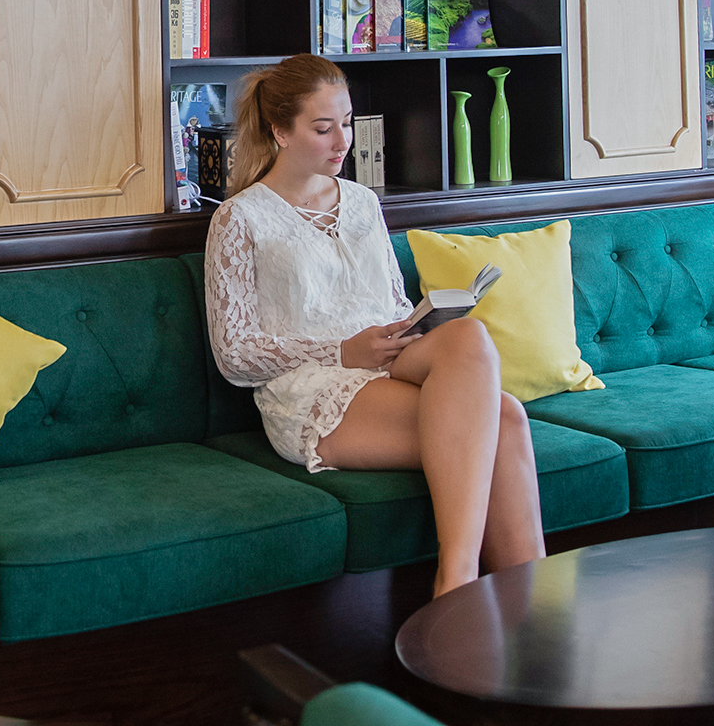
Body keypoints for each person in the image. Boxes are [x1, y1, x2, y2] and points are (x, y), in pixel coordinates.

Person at [203, 54, 544, 597]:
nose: (342, 141)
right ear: (279, 131)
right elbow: (235, 354)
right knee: (504, 420)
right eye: (323, 128)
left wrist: (418, 324)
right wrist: (343, 351)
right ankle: (464, 587)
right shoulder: (239, 218)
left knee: (467, 336)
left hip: (384, 359)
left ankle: (499, 610)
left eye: (347, 123)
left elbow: (388, 302)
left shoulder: (363, 202)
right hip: (312, 390)